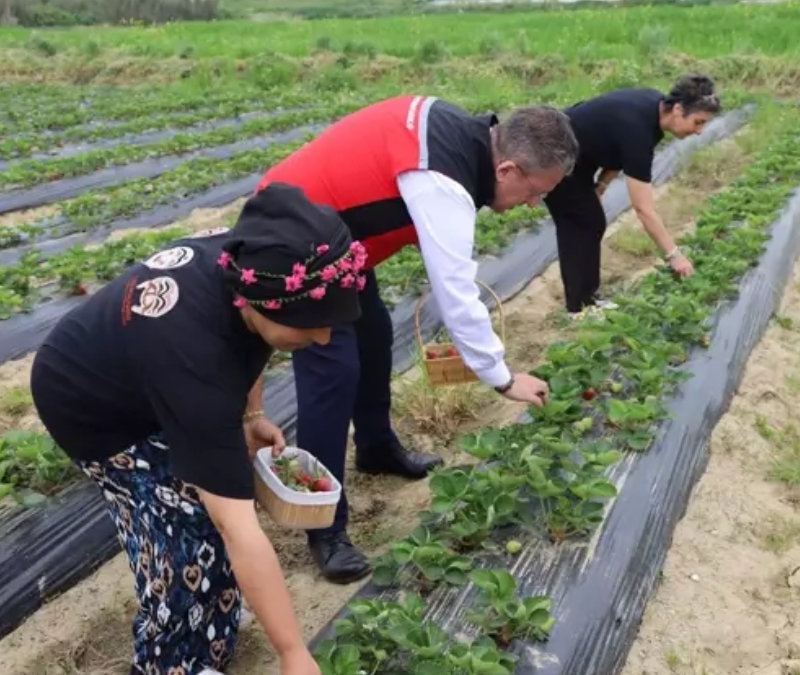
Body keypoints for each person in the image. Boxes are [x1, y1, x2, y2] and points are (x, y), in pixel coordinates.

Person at [29, 183, 370, 675]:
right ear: (256, 302)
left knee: (203, 514)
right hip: (89, 405)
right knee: (180, 542)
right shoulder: (196, 363)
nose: (322, 336)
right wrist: (293, 652)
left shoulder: (254, 262)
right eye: (310, 325)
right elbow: (238, 528)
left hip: (151, 371)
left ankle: (211, 637)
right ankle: (168, 662)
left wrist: (251, 415)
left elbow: (252, 343)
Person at [256, 94, 580, 583]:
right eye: (535, 192)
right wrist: (502, 378)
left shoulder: (465, 139)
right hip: (295, 236)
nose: (533, 205)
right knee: (332, 371)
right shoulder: (442, 181)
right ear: (507, 168)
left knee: (373, 333)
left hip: (337, 233)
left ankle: (376, 447)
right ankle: (324, 526)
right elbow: (455, 291)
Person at [543, 74, 723, 317]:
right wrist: (675, 256)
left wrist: (601, 186)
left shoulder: (654, 111)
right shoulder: (638, 130)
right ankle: (577, 308)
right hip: (553, 155)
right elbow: (643, 209)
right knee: (580, 224)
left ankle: (587, 299)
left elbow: (618, 152)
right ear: (678, 110)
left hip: (579, 158)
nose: (700, 131)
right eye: (698, 122)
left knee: (590, 222)